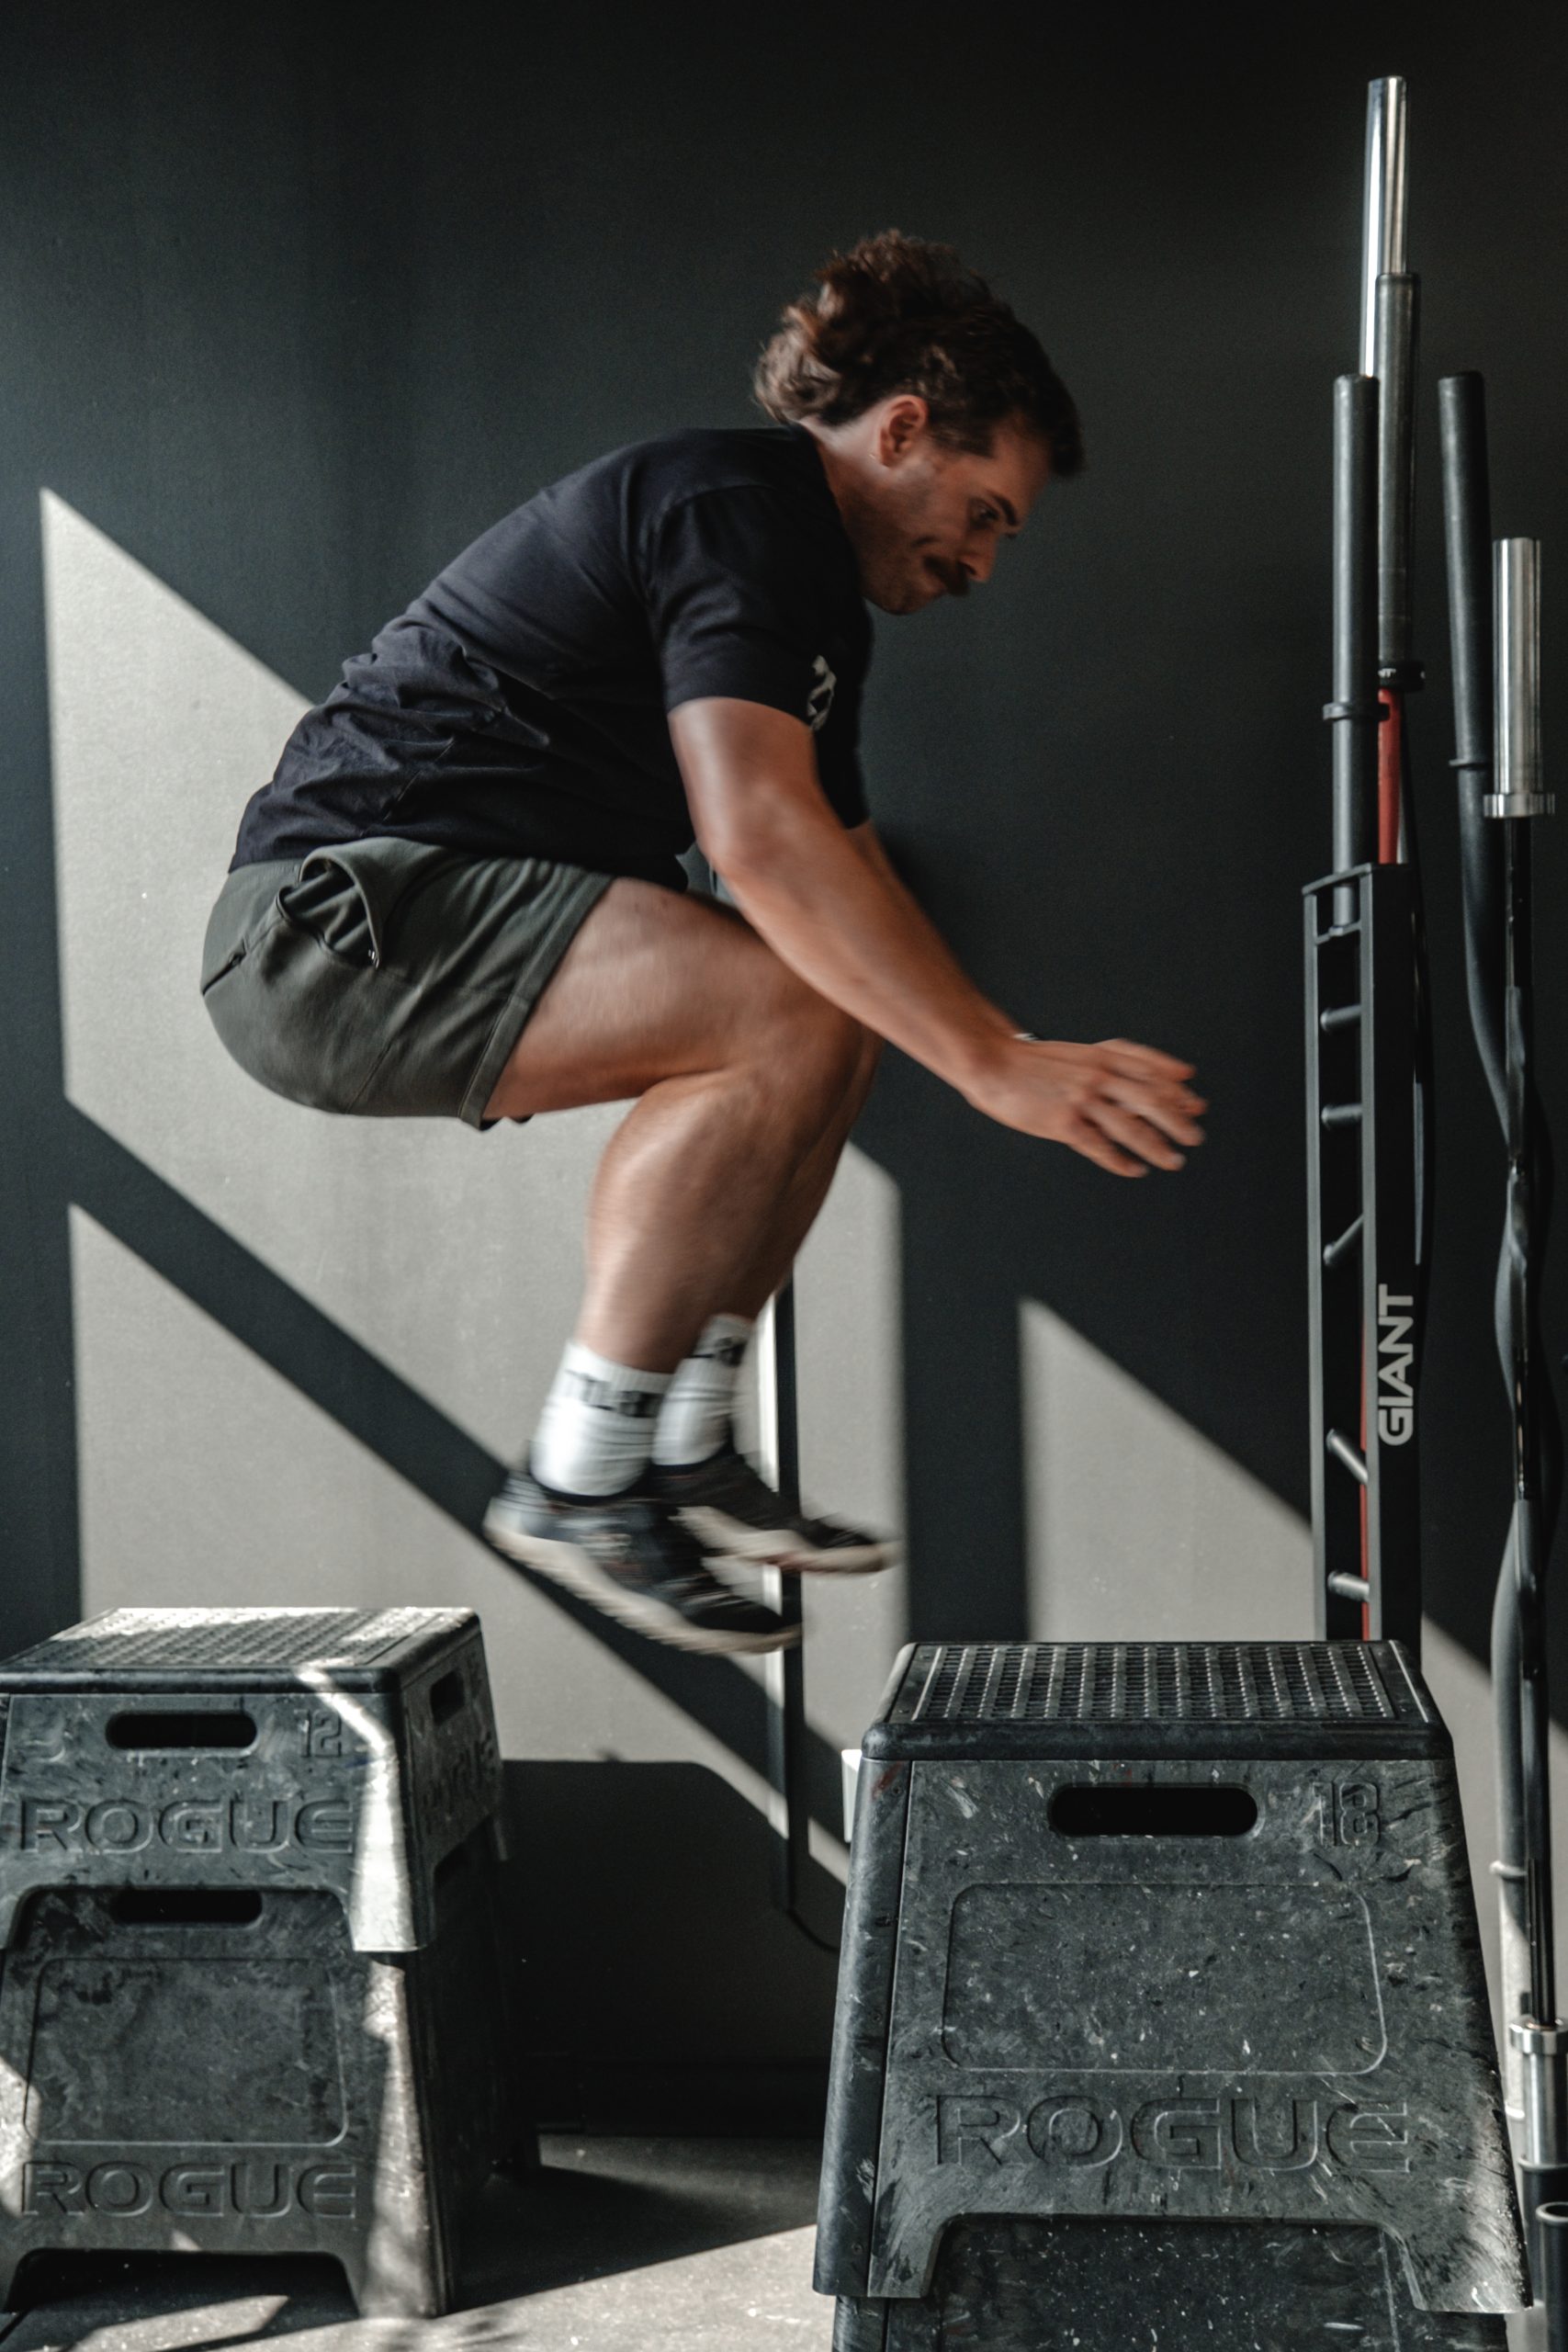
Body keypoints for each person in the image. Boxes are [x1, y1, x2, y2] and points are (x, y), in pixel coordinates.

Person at [200, 232, 1206, 1658]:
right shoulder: (740, 505)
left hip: (421, 914)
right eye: (984, 511)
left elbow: (841, 865)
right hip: (340, 925)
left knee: (829, 1011)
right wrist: (993, 1065)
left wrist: (985, 1036)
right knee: (790, 1009)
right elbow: (759, 835)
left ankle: (680, 1435)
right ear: (904, 428)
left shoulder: (814, 609)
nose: (981, 560)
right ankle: (579, 1473)